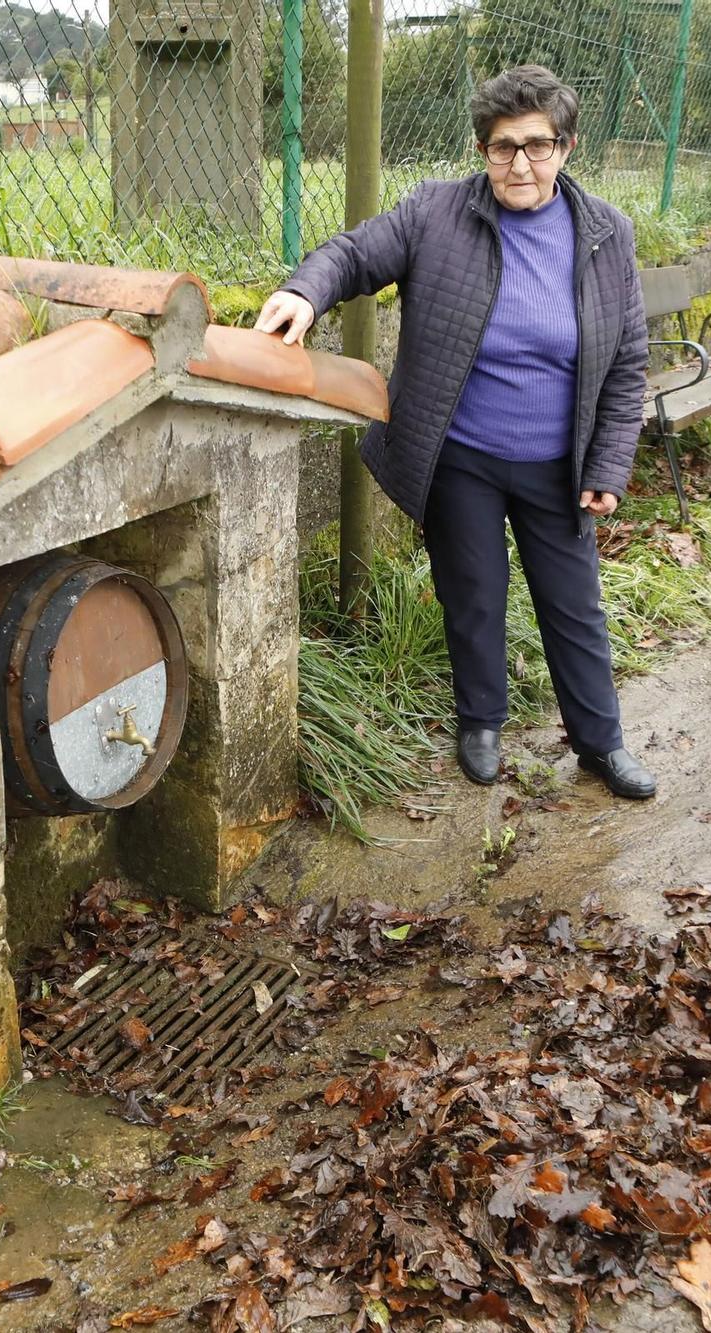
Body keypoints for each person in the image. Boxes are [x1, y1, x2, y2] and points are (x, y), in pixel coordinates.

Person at [255, 64, 656, 799]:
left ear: (567, 147)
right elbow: (353, 253)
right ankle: (481, 722)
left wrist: (608, 461)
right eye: (504, 147)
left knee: (574, 606)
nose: (521, 164)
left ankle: (601, 742)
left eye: (538, 145)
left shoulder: (606, 234)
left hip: (558, 464)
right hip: (461, 457)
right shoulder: (436, 214)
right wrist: (303, 293)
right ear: (482, 150)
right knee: (473, 593)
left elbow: (628, 360)